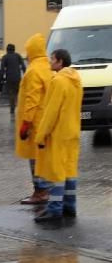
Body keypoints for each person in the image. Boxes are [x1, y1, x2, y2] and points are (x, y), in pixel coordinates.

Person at [33, 49, 82, 222]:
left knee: (57, 173)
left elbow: (51, 112)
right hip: (73, 131)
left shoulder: (58, 81)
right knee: (69, 171)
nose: (50, 62)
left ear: (60, 62)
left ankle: (54, 210)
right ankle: (70, 206)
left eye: (52, 59)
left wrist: (40, 136)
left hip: (59, 134)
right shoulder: (76, 80)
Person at [15, 34, 54, 205]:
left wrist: (25, 124)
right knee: (45, 157)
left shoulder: (33, 71)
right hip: (47, 121)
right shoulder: (48, 67)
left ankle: (40, 192)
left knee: (36, 158)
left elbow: (32, 100)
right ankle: (48, 189)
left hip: (35, 124)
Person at [1, 43, 26, 114]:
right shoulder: (18, 56)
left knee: (11, 93)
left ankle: (12, 108)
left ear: (7, 50)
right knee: (19, 93)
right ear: (14, 49)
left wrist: (2, 78)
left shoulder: (5, 57)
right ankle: (21, 107)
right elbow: (23, 66)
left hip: (9, 78)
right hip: (18, 77)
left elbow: (2, 69)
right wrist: (25, 75)